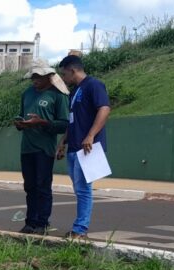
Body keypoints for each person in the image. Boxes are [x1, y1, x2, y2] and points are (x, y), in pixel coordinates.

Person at [56, 55, 111, 240]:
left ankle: (80, 229)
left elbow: (104, 109)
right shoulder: (75, 92)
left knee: (84, 189)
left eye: (64, 74)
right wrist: (63, 141)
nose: (64, 79)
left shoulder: (93, 85)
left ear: (73, 70)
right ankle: (79, 226)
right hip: (73, 147)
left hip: (88, 147)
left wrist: (90, 135)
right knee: (78, 188)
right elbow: (73, 121)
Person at [14, 60, 69, 235]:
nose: (34, 80)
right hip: (27, 148)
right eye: (33, 76)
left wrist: (42, 122)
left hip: (44, 148)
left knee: (43, 186)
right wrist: (21, 124)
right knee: (29, 186)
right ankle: (30, 222)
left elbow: (64, 124)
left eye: (38, 76)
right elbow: (22, 116)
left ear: (48, 76)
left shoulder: (58, 95)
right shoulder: (27, 94)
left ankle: (42, 223)